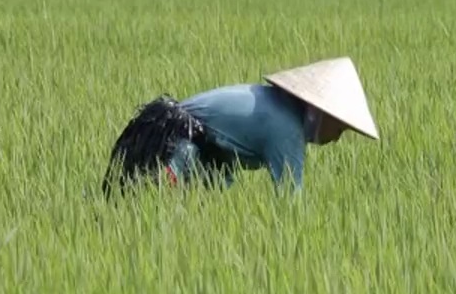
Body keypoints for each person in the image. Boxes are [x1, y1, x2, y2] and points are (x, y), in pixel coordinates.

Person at [101, 56, 379, 198]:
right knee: (143, 203)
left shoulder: (279, 108)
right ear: (324, 114)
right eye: (340, 128)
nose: (338, 138)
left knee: (207, 207)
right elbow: (291, 203)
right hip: (178, 142)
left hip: (202, 149)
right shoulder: (286, 130)